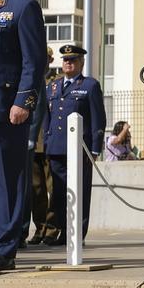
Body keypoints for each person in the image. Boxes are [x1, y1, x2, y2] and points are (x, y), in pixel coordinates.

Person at [0, 0, 47, 267]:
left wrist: (23, 102)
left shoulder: (21, 7)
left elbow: (34, 60)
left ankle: (4, 248)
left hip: (7, 109)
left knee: (8, 178)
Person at [43, 44, 105, 243]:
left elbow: (98, 119)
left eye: (73, 60)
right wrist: (47, 142)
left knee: (80, 192)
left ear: (81, 63)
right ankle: (63, 231)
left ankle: (77, 234)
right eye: (65, 60)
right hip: (56, 148)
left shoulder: (89, 86)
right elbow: (47, 117)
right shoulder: (53, 86)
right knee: (59, 193)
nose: (68, 63)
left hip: (80, 149)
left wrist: (95, 149)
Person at [21, 46, 54, 246]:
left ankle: (52, 230)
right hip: (33, 143)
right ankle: (39, 229)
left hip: (50, 142)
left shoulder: (55, 83)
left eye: (47, 58)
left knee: (53, 189)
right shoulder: (29, 80)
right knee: (35, 190)